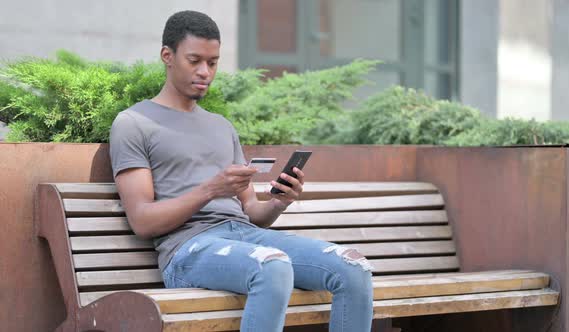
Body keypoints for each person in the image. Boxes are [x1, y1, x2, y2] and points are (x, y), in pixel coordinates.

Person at [109, 10, 373, 332]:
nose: (205, 71)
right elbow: (142, 220)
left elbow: (251, 211)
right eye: (194, 60)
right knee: (272, 267)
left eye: (213, 62)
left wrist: (278, 202)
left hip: (245, 237)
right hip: (188, 249)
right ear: (168, 56)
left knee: (352, 267)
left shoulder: (221, 126)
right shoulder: (134, 123)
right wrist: (210, 190)